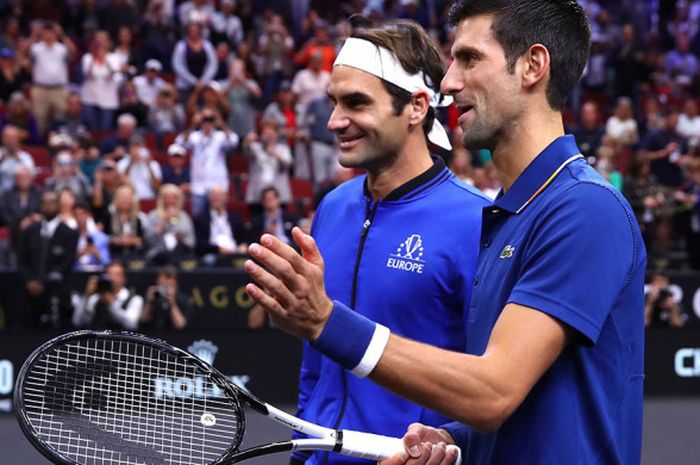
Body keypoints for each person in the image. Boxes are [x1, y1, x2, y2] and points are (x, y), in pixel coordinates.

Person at [243, 3, 647, 465]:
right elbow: (524, 410)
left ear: (533, 66)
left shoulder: (584, 208)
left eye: (469, 59)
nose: (450, 82)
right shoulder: (510, 214)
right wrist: (450, 442)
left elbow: (493, 393)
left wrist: (325, 323)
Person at [249, 18, 489, 465]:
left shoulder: (477, 222)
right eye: (334, 103)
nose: (336, 121)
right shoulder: (333, 206)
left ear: (417, 107)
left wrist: (448, 444)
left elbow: (496, 387)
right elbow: (315, 359)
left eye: (356, 103)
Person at [18, 190, 79, 327]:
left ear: (59, 205)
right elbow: (22, 260)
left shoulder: (69, 233)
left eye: (52, 202)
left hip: (58, 294)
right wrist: (29, 281)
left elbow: (66, 264)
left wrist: (43, 284)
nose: (49, 206)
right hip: (30, 294)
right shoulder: (29, 231)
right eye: (45, 202)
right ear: (40, 205)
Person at [72, 261, 144, 330]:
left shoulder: (134, 299)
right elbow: (78, 322)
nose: (112, 278)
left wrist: (111, 305)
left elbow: (131, 325)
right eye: (109, 274)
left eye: (116, 275)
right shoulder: (96, 299)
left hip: (121, 341)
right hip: (97, 341)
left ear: (124, 278)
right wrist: (86, 296)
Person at [144, 183, 195, 264]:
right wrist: (163, 221)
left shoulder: (184, 217)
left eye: (173, 198)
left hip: (180, 252)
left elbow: (191, 242)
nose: (169, 201)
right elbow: (149, 240)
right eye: (166, 198)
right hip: (158, 253)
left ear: (178, 200)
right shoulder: (153, 215)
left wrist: (181, 238)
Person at [140, 265, 194, 330]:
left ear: (176, 284)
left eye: (169, 285)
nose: (165, 288)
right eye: (162, 284)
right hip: (151, 335)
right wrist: (149, 302)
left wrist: (173, 304)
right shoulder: (151, 296)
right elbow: (143, 320)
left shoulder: (183, 299)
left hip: (174, 337)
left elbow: (180, 325)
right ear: (157, 282)